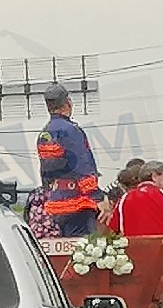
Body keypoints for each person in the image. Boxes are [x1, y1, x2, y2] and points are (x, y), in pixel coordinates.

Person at [37, 83, 110, 236]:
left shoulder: (45, 134)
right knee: (84, 252)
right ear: (68, 103)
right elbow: (82, 166)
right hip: (78, 202)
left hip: (56, 203)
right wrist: (98, 197)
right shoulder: (71, 131)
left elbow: (45, 172)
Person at [106, 160, 163, 237]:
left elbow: (112, 228)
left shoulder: (124, 198)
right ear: (155, 176)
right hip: (162, 249)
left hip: (133, 249)